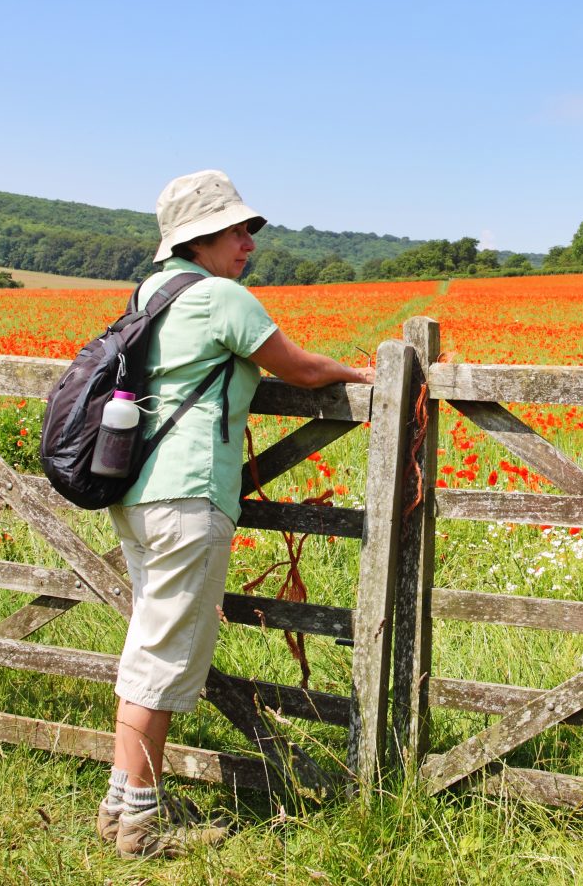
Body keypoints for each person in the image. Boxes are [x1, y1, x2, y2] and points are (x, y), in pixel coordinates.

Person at [95, 170, 372, 859]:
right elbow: (300, 369)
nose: (249, 242)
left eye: (249, 230)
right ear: (201, 236)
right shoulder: (223, 297)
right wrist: (361, 375)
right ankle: (136, 826)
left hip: (135, 493)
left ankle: (120, 806)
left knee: (149, 647)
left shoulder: (151, 291)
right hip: (187, 498)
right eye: (237, 229)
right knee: (160, 660)